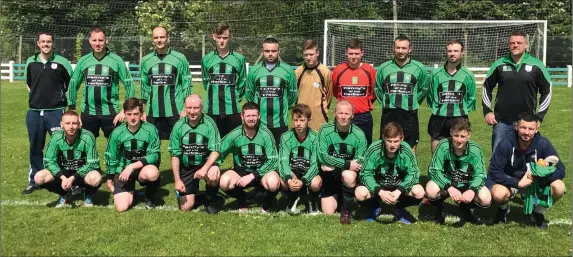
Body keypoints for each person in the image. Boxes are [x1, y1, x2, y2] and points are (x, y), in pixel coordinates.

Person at [487, 112, 565, 229]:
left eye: (530, 129)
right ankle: (503, 209)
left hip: (535, 183)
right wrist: (517, 183)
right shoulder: (506, 144)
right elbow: (494, 171)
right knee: (498, 193)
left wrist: (541, 178)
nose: (526, 132)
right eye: (523, 127)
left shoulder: (543, 143)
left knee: (559, 187)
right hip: (512, 182)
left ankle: (538, 212)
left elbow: (561, 169)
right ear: (516, 127)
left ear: (537, 129)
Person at [482, 31, 552, 152]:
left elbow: (547, 91)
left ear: (526, 45)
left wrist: (539, 117)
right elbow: (486, 87)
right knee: (498, 159)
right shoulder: (499, 64)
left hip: (527, 124)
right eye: (512, 43)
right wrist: (487, 111)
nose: (515, 45)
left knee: (526, 159)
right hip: (502, 122)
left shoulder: (537, 65)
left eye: (519, 42)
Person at [23, 31, 74, 194]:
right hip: (34, 112)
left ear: (53, 43)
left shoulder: (62, 62)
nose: (46, 44)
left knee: (62, 147)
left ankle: (65, 179)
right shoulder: (31, 62)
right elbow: (29, 83)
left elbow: (70, 86)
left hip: (56, 112)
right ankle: (35, 179)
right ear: (38, 43)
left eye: (49, 42)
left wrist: (68, 107)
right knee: (35, 146)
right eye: (43, 42)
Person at [67, 26, 135, 138]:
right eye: (94, 40)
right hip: (88, 113)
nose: (97, 43)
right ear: (90, 41)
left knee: (117, 148)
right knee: (85, 147)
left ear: (106, 40)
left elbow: (129, 85)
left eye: (100, 40)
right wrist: (73, 110)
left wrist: (125, 110)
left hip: (111, 113)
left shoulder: (116, 61)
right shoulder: (83, 61)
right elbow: (73, 85)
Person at [355, 122, 424, 224]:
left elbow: (413, 174)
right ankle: (375, 207)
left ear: (402, 138)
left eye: (396, 141)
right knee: (360, 193)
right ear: (383, 137)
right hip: (379, 186)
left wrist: (399, 191)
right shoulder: (374, 149)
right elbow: (365, 174)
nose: (392, 145)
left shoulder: (407, 150)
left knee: (419, 192)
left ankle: (399, 208)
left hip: (398, 186)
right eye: (389, 141)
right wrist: (380, 191)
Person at [218, 102, 281, 213]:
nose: (251, 118)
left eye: (254, 115)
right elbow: (219, 151)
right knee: (224, 182)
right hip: (241, 171)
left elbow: (273, 160)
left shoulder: (266, 134)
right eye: (248, 116)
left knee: (273, 182)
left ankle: (266, 204)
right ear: (242, 116)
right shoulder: (235, 134)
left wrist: (253, 175)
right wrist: (214, 165)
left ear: (259, 116)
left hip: (262, 172)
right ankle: (243, 198)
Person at [426, 118, 491, 225]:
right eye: (456, 135)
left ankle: (465, 208)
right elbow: (434, 171)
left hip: (467, 185)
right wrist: (449, 188)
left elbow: (481, 175)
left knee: (485, 198)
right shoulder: (443, 145)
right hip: (448, 184)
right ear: (451, 132)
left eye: (463, 136)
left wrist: (472, 190)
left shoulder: (475, 149)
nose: (459, 140)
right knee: (431, 189)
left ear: (469, 135)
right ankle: (439, 208)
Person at [33, 110, 102, 208]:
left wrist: (73, 178)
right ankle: (63, 193)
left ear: (79, 124)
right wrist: (63, 177)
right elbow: (48, 162)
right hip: (64, 173)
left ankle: (88, 193)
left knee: (96, 178)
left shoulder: (88, 137)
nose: (71, 126)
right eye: (67, 123)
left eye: (74, 123)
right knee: (39, 178)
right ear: (61, 124)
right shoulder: (56, 137)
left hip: (82, 173)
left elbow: (93, 163)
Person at [104, 98, 161, 211]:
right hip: (123, 171)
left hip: (142, 170)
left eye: (136, 114)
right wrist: (109, 178)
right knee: (121, 207)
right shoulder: (117, 133)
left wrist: (132, 166)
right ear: (124, 114)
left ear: (142, 114)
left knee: (152, 173)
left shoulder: (151, 130)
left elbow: (154, 155)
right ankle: (131, 192)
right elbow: (111, 156)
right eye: (129, 114)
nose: (133, 117)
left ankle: (148, 197)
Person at [168, 95, 222, 214]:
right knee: (186, 208)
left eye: (196, 108)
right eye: (189, 108)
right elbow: (175, 155)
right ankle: (198, 195)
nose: (192, 111)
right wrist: (177, 179)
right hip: (187, 167)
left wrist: (205, 169)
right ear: (185, 108)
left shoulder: (209, 124)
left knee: (213, 175)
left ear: (201, 108)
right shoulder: (179, 126)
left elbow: (216, 150)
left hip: (205, 163)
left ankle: (210, 199)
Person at [317, 100, 367, 224]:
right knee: (328, 212)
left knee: (348, 176)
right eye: (340, 113)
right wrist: (347, 164)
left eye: (347, 113)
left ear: (352, 115)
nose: (343, 117)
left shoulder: (359, 135)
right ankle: (339, 195)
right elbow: (322, 155)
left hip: (343, 172)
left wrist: (335, 165)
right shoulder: (324, 130)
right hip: (331, 175)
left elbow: (360, 160)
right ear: (334, 114)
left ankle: (346, 209)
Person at [375, 35, 427, 153]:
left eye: (404, 48)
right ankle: (388, 171)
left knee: (410, 144)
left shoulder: (419, 68)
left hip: (409, 113)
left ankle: (410, 171)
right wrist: (387, 100)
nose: (400, 51)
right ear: (393, 48)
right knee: (388, 143)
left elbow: (423, 90)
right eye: (398, 48)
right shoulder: (384, 68)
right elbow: (378, 89)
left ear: (410, 49)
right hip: (389, 112)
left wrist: (413, 101)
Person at [140, 26, 191, 140]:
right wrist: (142, 110)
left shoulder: (179, 58)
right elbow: (144, 88)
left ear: (167, 38)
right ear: (152, 40)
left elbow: (186, 84)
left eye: (162, 37)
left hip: (176, 111)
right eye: (156, 37)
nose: (159, 40)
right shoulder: (146, 61)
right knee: (151, 148)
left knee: (178, 147)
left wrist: (185, 108)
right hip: (153, 113)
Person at [245, 36, 298, 146]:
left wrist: (284, 107)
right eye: (267, 51)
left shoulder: (287, 70)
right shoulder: (254, 70)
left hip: (280, 122)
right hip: (260, 123)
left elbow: (292, 95)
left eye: (273, 51)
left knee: (279, 154)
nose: (270, 54)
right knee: (260, 153)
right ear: (262, 51)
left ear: (279, 51)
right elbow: (249, 95)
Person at [427, 39, 476, 152]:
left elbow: (471, 98)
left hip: (459, 117)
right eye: (450, 51)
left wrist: (460, 110)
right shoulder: (435, 74)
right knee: (437, 156)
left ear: (462, 53)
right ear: (446, 52)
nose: (452, 53)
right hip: (439, 117)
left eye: (456, 51)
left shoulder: (468, 75)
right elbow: (430, 95)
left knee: (459, 154)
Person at [202, 22, 247, 138]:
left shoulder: (239, 59)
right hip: (212, 110)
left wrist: (235, 97)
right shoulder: (207, 59)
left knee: (237, 147)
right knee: (212, 147)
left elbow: (242, 83)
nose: (222, 41)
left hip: (233, 111)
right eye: (219, 37)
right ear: (214, 37)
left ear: (230, 37)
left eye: (225, 37)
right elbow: (206, 82)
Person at [278, 104, 322, 214]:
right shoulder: (285, 137)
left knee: (316, 183)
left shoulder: (315, 137)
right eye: (295, 120)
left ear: (309, 120)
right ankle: (292, 198)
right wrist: (289, 178)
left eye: (302, 120)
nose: (298, 124)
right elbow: (283, 161)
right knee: (282, 181)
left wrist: (303, 181)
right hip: (293, 173)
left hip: (307, 173)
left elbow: (315, 164)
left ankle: (312, 201)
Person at [331, 39, 376, 146]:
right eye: (351, 53)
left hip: (363, 116)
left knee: (365, 147)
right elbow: (335, 91)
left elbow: (373, 93)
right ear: (346, 53)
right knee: (341, 147)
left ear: (362, 53)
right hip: (343, 116)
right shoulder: (338, 70)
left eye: (356, 53)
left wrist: (362, 104)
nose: (353, 56)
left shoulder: (370, 70)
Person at [294, 39, 333, 131]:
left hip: (318, 117)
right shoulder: (298, 72)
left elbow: (329, 97)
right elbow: (293, 94)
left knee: (318, 143)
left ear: (317, 53)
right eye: (306, 55)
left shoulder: (325, 72)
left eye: (311, 54)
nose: (308, 57)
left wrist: (321, 110)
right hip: (301, 116)